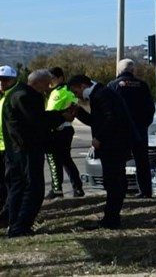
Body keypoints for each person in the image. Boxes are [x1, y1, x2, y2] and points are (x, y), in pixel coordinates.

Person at [2, 68, 66, 237]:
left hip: (16, 151)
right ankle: (20, 225)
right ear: (37, 83)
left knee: (18, 188)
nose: (48, 88)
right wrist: (61, 116)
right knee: (33, 189)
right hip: (26, 151)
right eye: (46, 84)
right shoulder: (25, 96)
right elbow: (37, 122)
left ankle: (13, 223)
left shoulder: (19, 93)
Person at [67, 75, 134, 230]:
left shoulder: (101, 95)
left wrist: (99, 137)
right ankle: (111, 216)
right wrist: (79, 113)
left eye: (75, 91)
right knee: (113, 181)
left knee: (113, 182)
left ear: (83, 85)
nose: (76, 95)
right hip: (114, 144)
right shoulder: (100, 94)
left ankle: (112, 219)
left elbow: (111, 119)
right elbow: (97, 120)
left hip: (114, 145)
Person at [109, 58, 155, 198]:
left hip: (121, 130)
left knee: (119, 161)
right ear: (133, 71)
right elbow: (150, 108)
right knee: (142, 162)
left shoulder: (113, 85)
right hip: (140, 129)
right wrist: (144, 124)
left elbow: (109, 109)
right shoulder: (143, 85)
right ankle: (145, 191)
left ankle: (121, 191)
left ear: (118, 70)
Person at [44, 67, 84, 199]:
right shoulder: (54, 91)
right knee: (64, 159)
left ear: (60, 78)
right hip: (55, 128)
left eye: (53, 78)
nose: (50, 81)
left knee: (54, 159)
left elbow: (76, 102)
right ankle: (76, 188)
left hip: (61, 128)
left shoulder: (65, 90)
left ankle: (58, 189)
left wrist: (71, 112)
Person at [0, 65, 19, 225]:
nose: (1, 83)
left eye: (5, 80)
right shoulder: (2, 96)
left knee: (8, 183)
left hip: (9, 148)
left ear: (13, 80)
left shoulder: (13, 96)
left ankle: (7, 215)